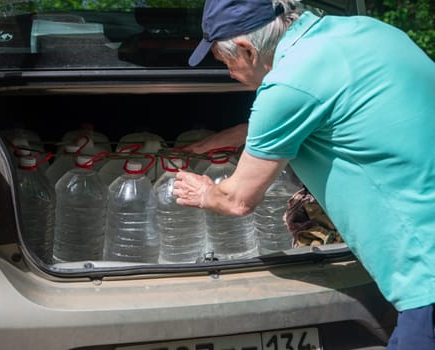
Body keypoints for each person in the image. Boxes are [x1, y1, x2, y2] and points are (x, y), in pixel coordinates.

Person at [172, 0, 435, 348]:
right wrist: (236, 135)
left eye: (226, 63)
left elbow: (237, 200)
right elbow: (339, 106)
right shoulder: (371, 32)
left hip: (425, 272)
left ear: (247, 50)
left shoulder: (288, 82)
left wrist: (205, 192)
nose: (230, 75)